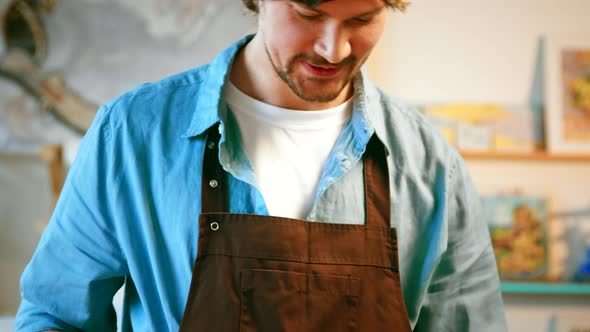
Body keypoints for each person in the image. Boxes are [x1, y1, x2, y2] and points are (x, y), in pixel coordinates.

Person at [16, 0, 508, 331]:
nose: (333, 48)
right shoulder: (134, 132)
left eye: (362, 19)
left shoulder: (427, 162)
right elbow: (56, 316)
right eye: (308, 12)